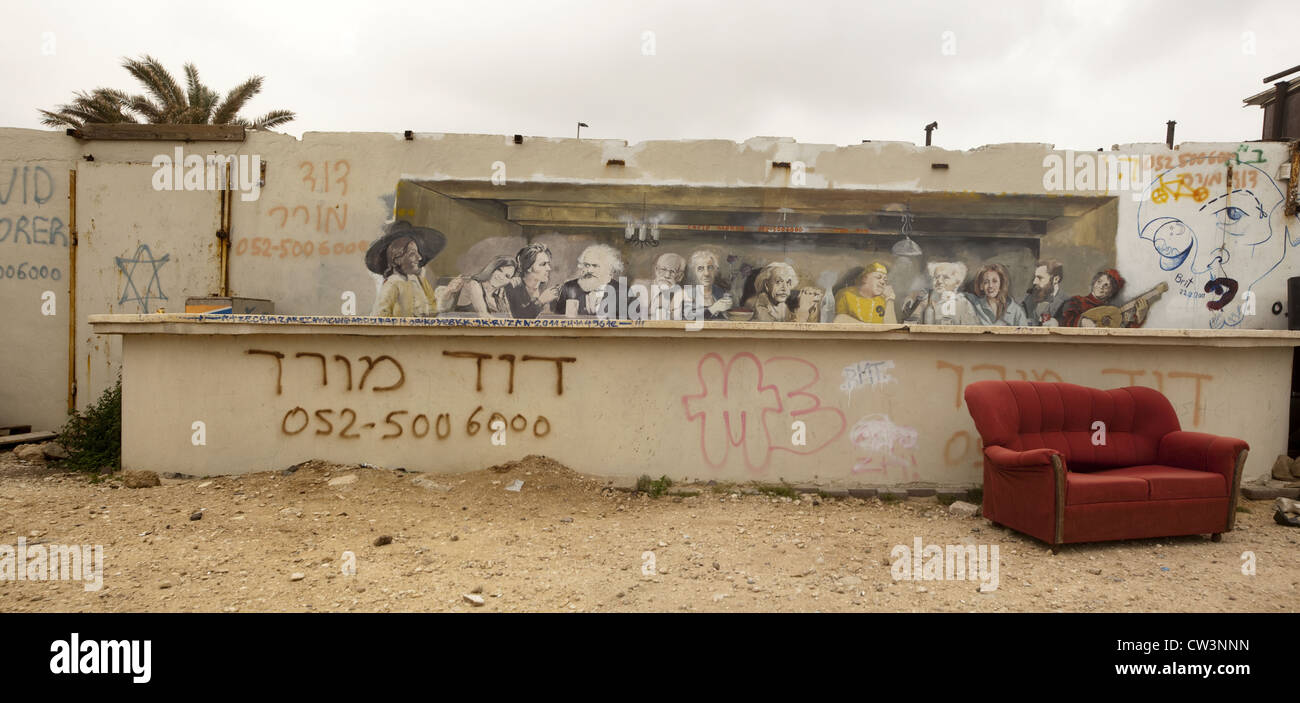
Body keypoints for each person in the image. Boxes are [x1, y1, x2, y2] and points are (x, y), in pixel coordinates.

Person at [365, 222, 446, 318]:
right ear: (398, 259)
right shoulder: (393, 284)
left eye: (418, 253)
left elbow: (433, 310)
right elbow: (380, 318)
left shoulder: (420, 281)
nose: (419, 258)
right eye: (412, 254)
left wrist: (447, 295)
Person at [553, 244, 627, 317]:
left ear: (609, 270)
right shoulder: (569, 287)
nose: (589, 270)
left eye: (595, 266)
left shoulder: (624, 292)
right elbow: (558, 319)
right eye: (586, 265)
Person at [1057, 269, 1147, 327]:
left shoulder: (1112, 313)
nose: (1101, 286)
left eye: (1106, 285)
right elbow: (1062, 320)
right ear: (1094, 283)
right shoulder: (1076, 301)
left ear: (1111, 292)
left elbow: (1123, 335)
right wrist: (1081, 321)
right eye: (1099, 282)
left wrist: (1139, 319)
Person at [901, 261, 978, 325]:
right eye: (936, 277)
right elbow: (912, 324)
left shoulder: (963, 304)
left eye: (945, 277)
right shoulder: (925, 300)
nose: (939, 281)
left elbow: (972, 333)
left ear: (957, 282)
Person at [504, 243, 560, 318]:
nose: (549, 268)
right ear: (528, 267)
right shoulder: (513, 287)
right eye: (543, 264)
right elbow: (519, 320)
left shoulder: (546, 287)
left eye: (548, 264)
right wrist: (541, 301)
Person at [677, 250, 733, 321]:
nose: (706, 273)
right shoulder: (687, 294)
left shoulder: (720, 292)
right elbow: (689, 320)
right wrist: (713, 309)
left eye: (710, 268)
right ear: (694, 272)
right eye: (700, 269)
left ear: (715, 270)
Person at [1020, 259, 1067, 326]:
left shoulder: (1067, 303)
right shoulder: (1027, 300)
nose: (1034, 282)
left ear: (1056, 279)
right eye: (1035, 277)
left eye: (1040, 278)